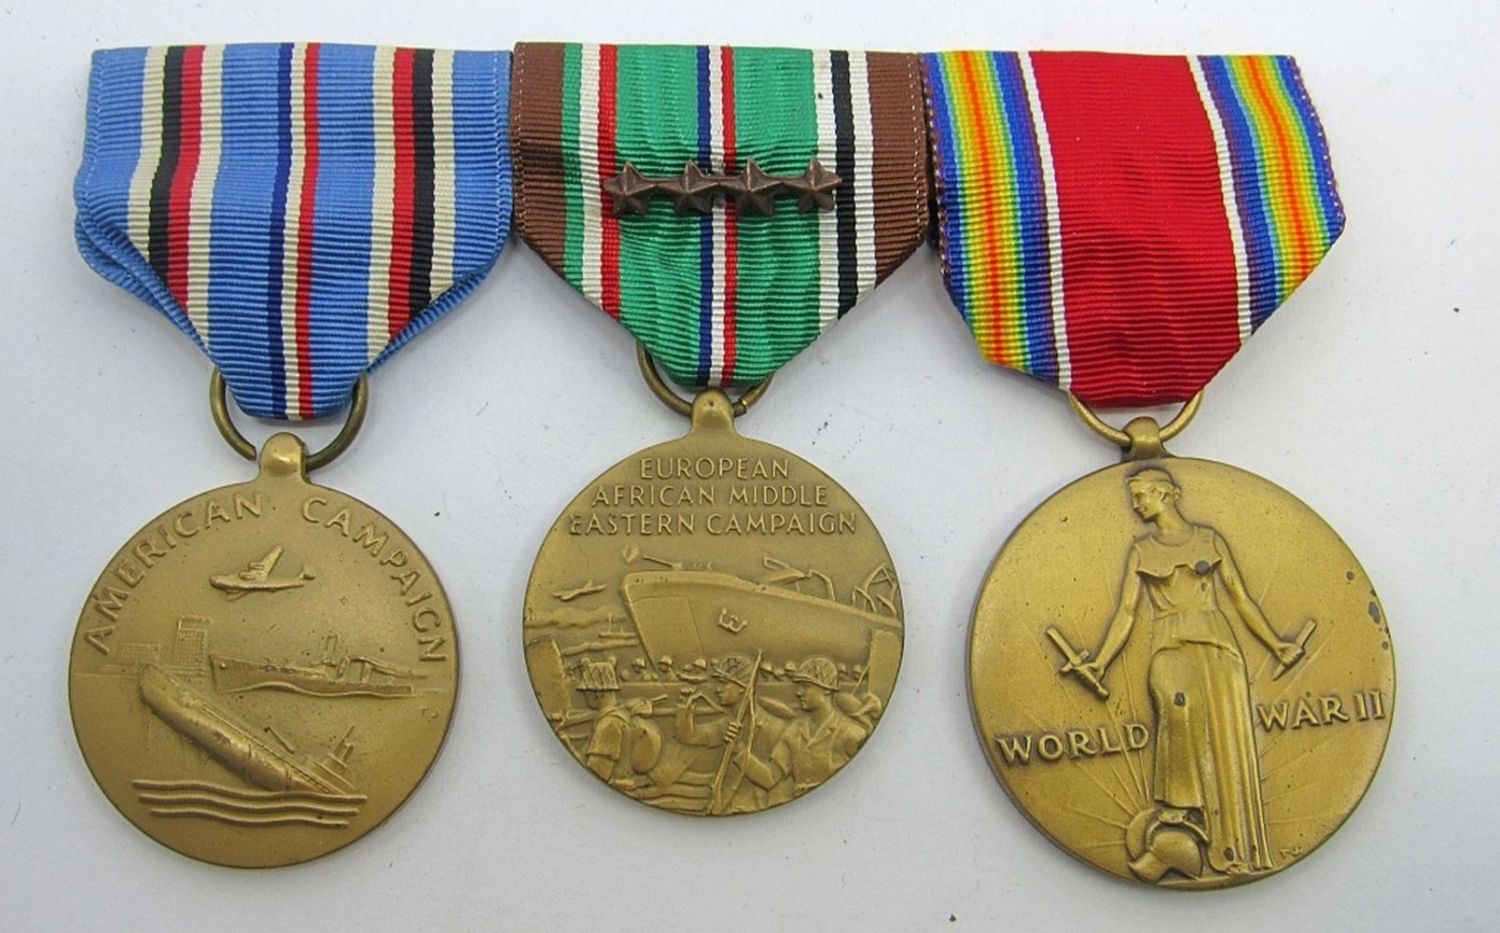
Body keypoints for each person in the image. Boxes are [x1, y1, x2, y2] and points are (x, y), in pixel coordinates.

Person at [1079, 467, 1305, 882]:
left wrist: (1276, 645)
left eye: (1141, 495)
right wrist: (1101, 662)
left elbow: (1241, 598)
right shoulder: (1142, 551)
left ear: (1165, 494)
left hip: (1217, 644)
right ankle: (1181, 809)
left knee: (1223, 736)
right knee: (1177, 705)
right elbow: (1126, 613)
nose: (1135, 504)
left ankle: (1222, 842)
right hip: (1169, 644)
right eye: (1133, 497)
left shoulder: (1209, 540)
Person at [736, 656, 868, 799]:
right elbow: (769, 778)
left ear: (826, 690)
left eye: (806, 686)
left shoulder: (851, 733)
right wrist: (738, 750)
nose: (798, 692)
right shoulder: (794, 732)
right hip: (801, 807)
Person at [676, 654, 787, 813]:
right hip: (724, 807)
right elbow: (688, 737)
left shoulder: (774, 729)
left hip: (756, 812)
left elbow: (770, 780)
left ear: (742, 687)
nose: (717, 689)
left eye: (724, 683)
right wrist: (684, 706)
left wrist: (739, 750)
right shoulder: (725, 725)